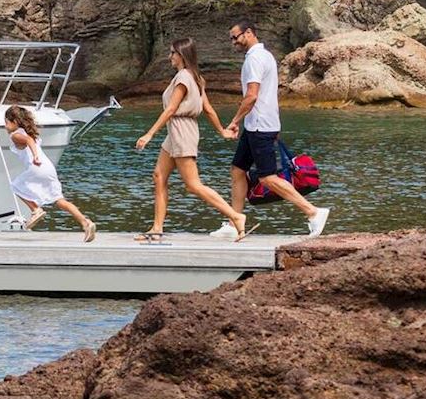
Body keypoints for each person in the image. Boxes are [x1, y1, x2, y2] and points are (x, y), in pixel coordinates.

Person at [220, 21, 330, 237]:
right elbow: (270, 95)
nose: (234, 42)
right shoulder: (266, 56)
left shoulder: (254, 59)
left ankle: (313, 212)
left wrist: (234, 121)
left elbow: (252, 95)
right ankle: (235, 224)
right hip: (258, 125)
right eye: (231, 39)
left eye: (236, 37)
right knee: (238, 171)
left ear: (250, 32)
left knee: (268, 178)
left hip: (260, 126)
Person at [133, 38, 247, 242]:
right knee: (159, 176)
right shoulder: (196, 77)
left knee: (193, 184)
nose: (170, 57)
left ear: (182, 55)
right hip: (175, 132)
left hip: (181, 131)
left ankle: (235, 216)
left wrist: (149, 134)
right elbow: (208, 109)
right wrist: (221, 131)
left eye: (172, 53)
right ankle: (157, 228)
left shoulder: (184, 78)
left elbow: (170, 109)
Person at [4, 105, 97, 242]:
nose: (5, 126)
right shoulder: (29, 132)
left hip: (37, 166)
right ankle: (86, 223)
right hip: (48, 168)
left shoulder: (16, 135)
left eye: (6, 122)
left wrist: (35, 157)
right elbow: (31, 140)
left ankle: (36, 210)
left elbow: (29, 142)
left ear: (15, 122)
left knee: (15, 186)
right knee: (60, 201)